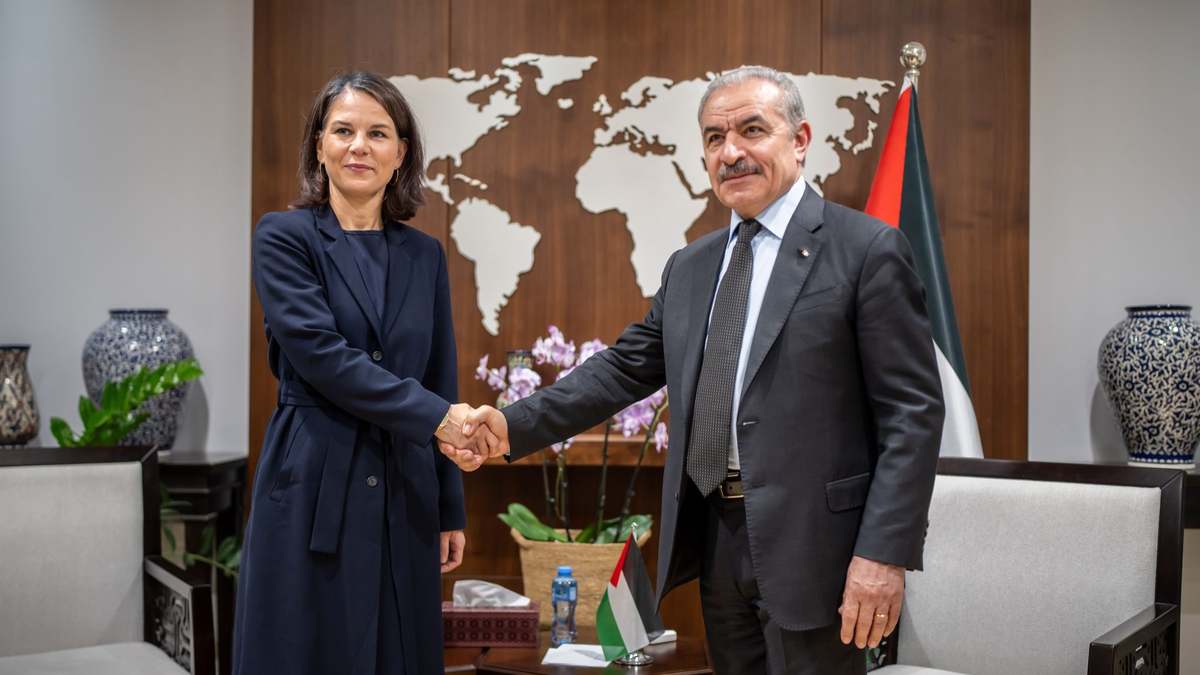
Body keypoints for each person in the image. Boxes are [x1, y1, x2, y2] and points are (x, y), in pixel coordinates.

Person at [444, 66, 945, 674]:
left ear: (801, 139)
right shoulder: (691, 266)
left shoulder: (866, 249)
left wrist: (881, 556)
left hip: (823, 552)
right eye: (713, 138)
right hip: (717, 538)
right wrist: (510, 425)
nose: (731, 152)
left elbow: (912, 417)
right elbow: (622, 370)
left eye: (752, 130)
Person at [234, 71, 497, 675]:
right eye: (343, 131)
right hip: (311, 476)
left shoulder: (424, 254)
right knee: (306, 650)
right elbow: (323, 358)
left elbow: (438, 374)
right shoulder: (283, 237)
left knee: (396, 654)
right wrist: (439, 419)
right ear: (319, 145)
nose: (360, 146)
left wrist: (449, 506)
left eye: (378, 133)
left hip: (405, 483)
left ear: (400, 151)